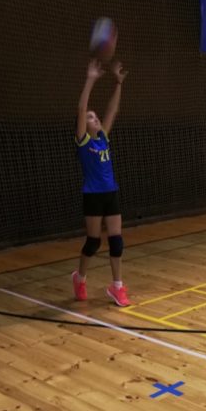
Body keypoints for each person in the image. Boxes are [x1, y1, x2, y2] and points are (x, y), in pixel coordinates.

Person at [72, 58, 131, 306]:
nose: (94, 118)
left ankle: (117, 287)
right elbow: (81, 108)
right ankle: (80, 278)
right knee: (94, 242)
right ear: (84, 124)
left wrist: (118, 83)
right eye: (90, 117)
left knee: (116, 241)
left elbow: (112, 110)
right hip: (93, 195)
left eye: (95, 117)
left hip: (110, 192)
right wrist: (90, 80)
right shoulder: (84, 141)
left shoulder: (103, 138)